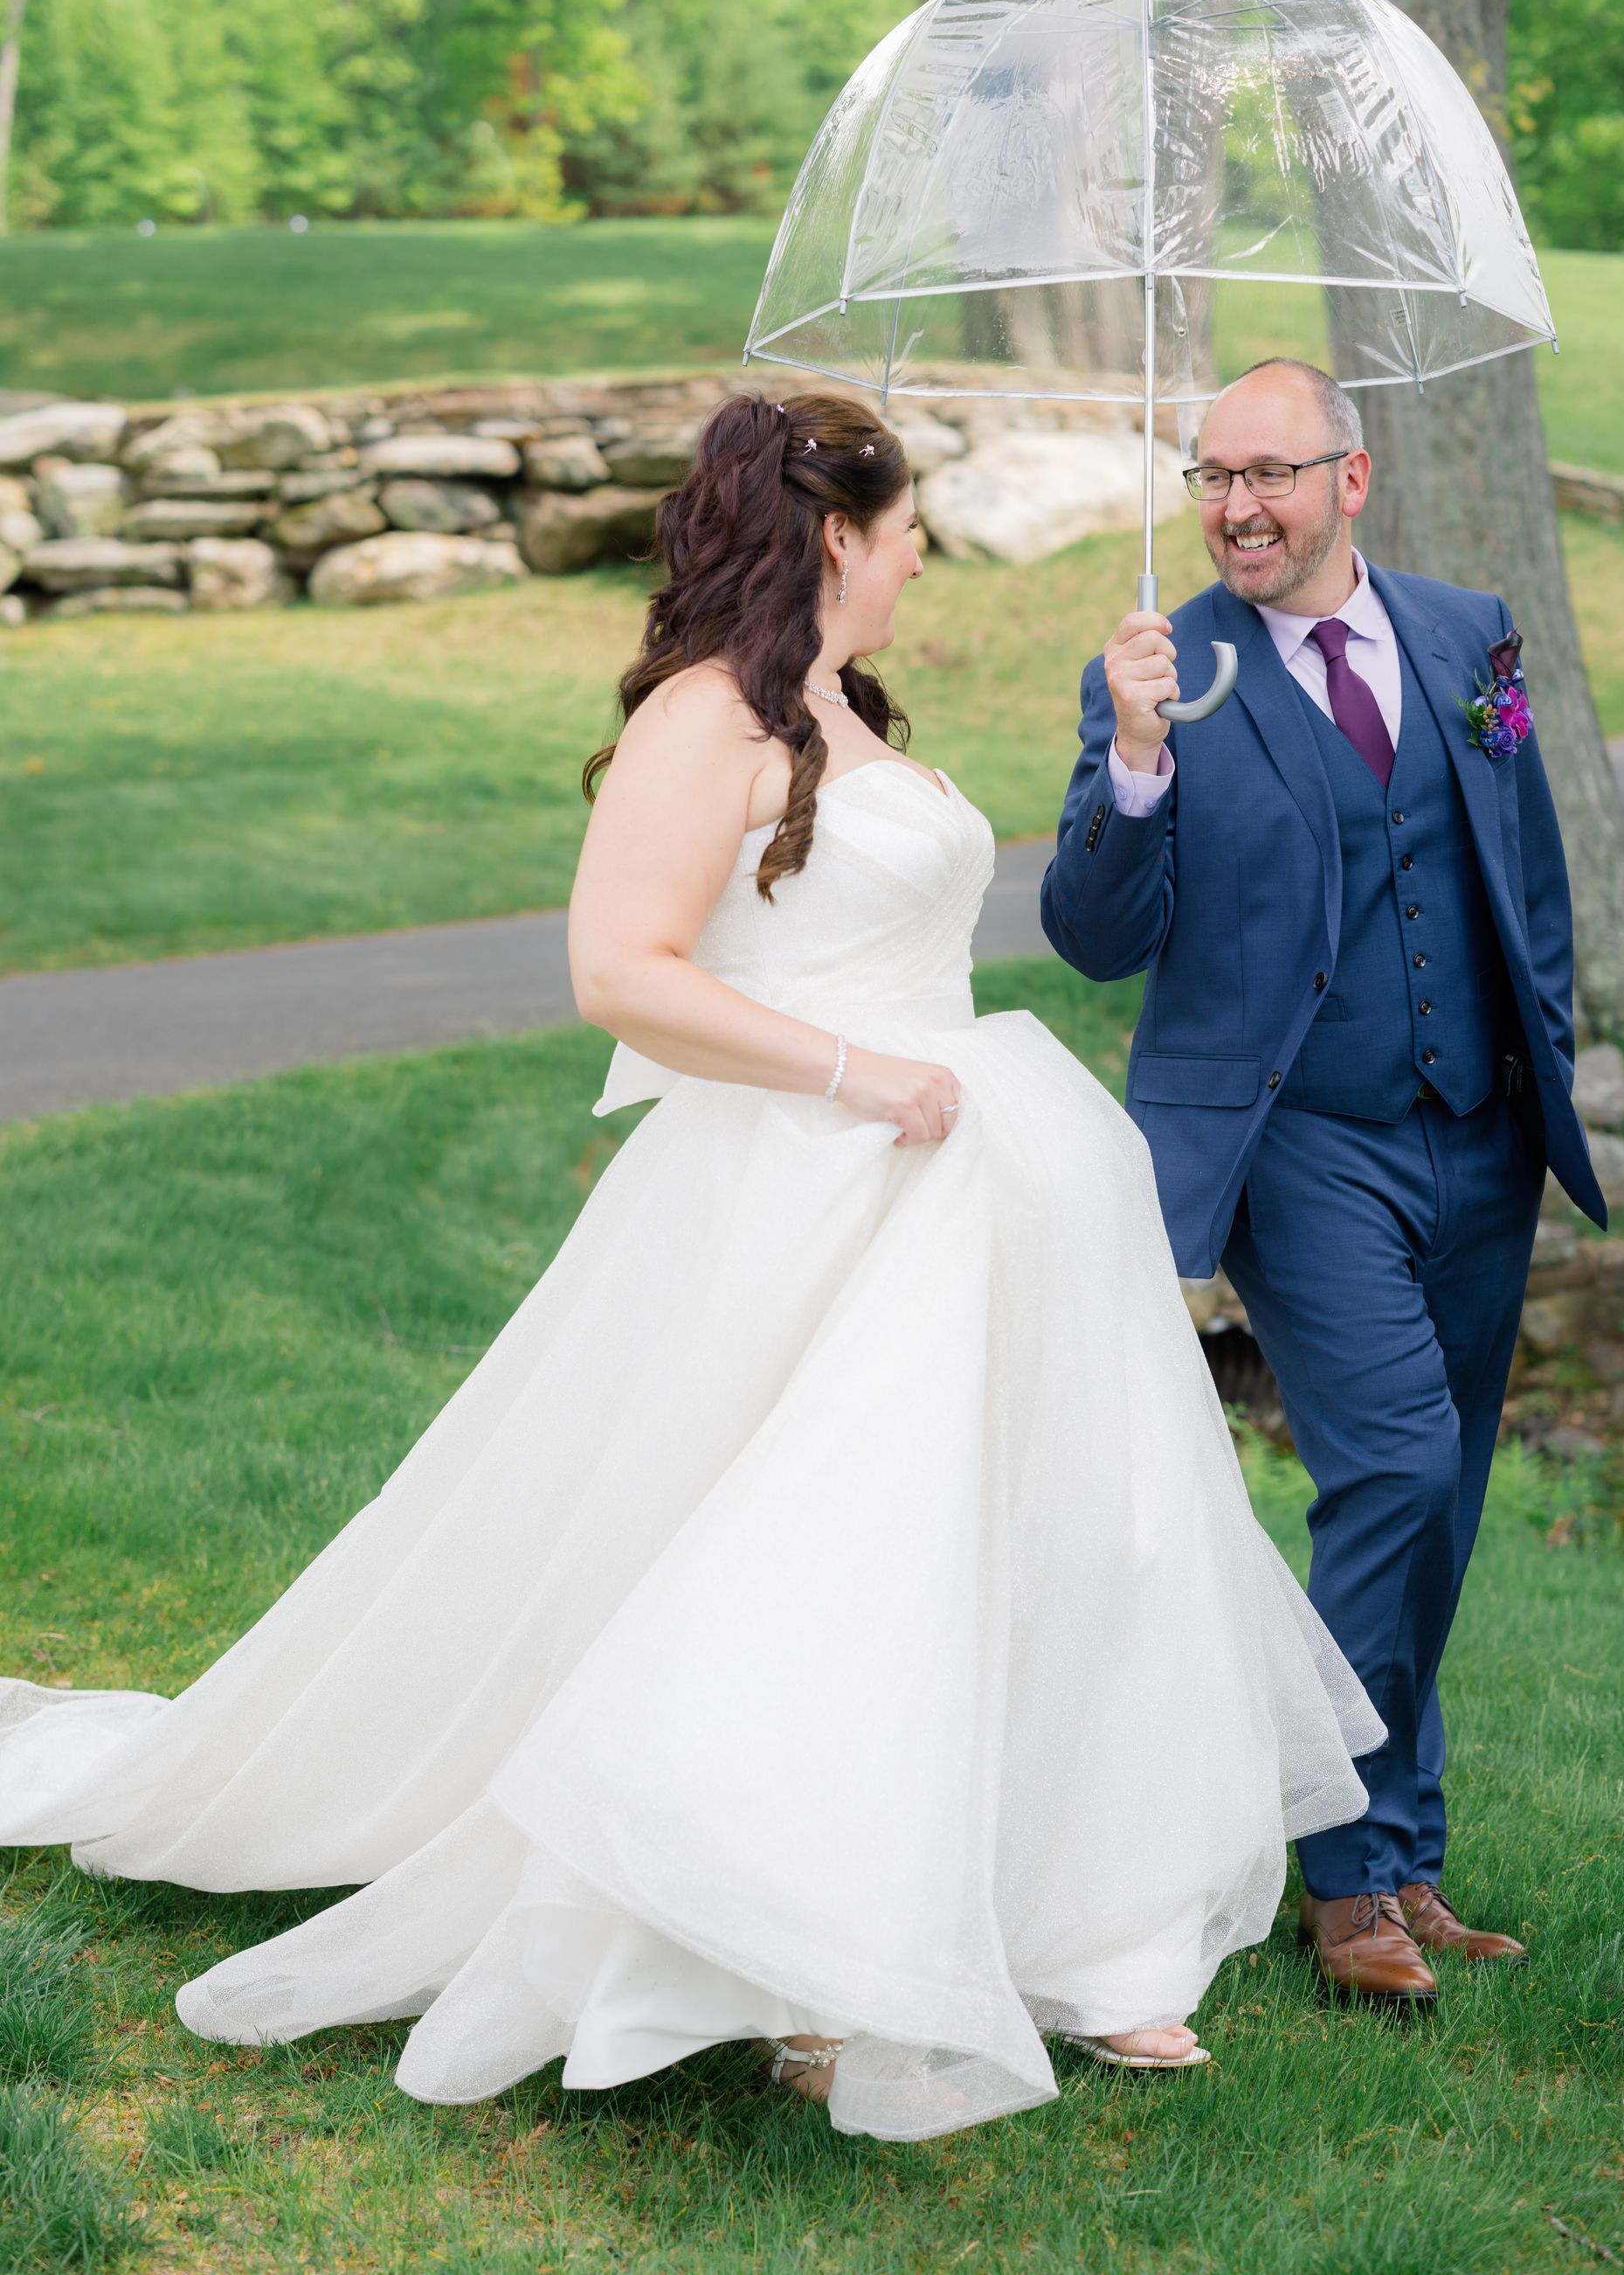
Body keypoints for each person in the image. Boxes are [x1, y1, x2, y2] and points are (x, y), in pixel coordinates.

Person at [0, 391, 1380, 2143]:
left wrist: (1127, 734)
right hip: (812, 1164)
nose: (922, 557)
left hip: (970, 1165)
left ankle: (1067, 1917)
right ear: (830, 542)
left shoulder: (840, 710)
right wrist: (852, 1073)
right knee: (812, 1557)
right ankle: (788, 1954)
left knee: (1047, 1538)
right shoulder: (699, 717)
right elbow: (620, 970)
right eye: (902, 534)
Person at [1042, 357, 1605, 2006]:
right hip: (1296, 1142)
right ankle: (1343, 1875)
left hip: (1481, 1133)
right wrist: (1136, 756)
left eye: (1272, 473)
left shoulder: (1466, 630)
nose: (1236, 507)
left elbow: (1526, 853)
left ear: (1351, 481)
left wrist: (1543, 1054)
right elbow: (1093, 940)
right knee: (1396, 1466)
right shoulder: (1164, 673)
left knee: (1445, 1504)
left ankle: (1404, 1849)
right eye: (1214, 475)